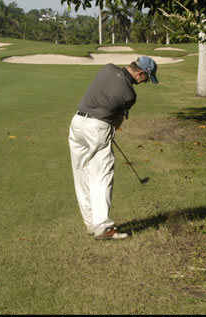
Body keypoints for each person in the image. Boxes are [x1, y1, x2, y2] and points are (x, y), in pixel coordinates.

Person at [68, 56, 159, 240]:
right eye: (146, 78)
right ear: (140, 73)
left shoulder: (107, 68)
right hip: (98, 128)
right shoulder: (130, 94)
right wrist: (108, 131)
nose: (145, 82)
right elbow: (117, 121)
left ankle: (91, 223)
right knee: (102, 175)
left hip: (77, 123)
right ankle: (103, 227)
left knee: (82, 175)